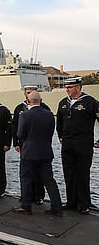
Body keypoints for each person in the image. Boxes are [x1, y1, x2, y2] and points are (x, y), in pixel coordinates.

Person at [12, 91, 63, 216]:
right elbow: (52, 132)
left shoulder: (25, 115)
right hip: (45, 152)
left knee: (26, 179)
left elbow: (20, 134)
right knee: (49, 180)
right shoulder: (50, 115)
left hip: (29, 153)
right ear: (41, 100)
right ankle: (57, 207)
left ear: (28, 101)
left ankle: (26, 206)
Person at [56, 77, 99, 214]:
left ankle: (84, 203)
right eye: (66, 87)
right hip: (68, 144)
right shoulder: (63, 103)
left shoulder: (90, 102)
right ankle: (71, 201)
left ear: (78, 87)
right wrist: (61, 136)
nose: (67, 89)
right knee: (69, 173)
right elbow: (59, 123)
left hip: (83, 144)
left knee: (82, 174)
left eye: (70, 87)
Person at [12, 85, 51, 205]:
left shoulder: (44, 108)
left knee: (39, 174)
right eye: (27, 92)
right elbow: (15, 127)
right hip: (25, 145)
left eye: (31, 92)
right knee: (26, 175)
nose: (28, 94)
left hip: (39, 145)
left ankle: (38, 196)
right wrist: (16, 143)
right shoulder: (20, 108)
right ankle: (26, 197)